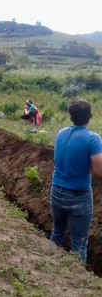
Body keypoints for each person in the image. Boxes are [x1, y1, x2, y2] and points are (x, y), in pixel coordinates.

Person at [50, 99, 102, 264]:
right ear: (91, 116)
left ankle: (47, 265)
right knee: (79, 242)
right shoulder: (93, 139)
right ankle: (76, 279)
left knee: (57, 231)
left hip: (56, 189)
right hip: (78, 195)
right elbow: (99, 171)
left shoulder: (61, 133)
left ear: (71, 117)